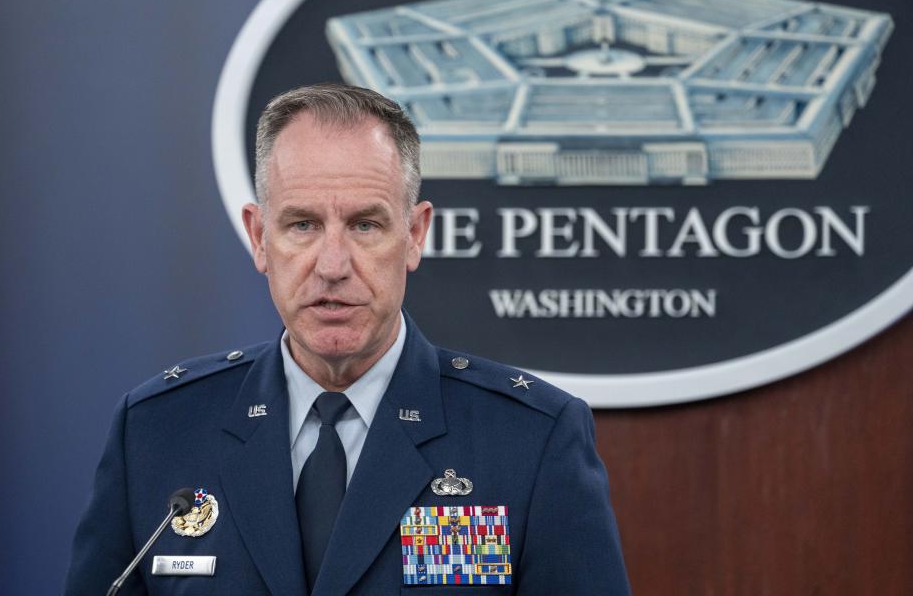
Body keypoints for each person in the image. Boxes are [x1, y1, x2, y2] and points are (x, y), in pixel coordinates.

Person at [65, 83, 630, 595]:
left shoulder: (530, 441)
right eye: (302, 225)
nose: (332, 265)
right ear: (260, 238)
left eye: (365, 224)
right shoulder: (157, 433)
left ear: (414, 235)